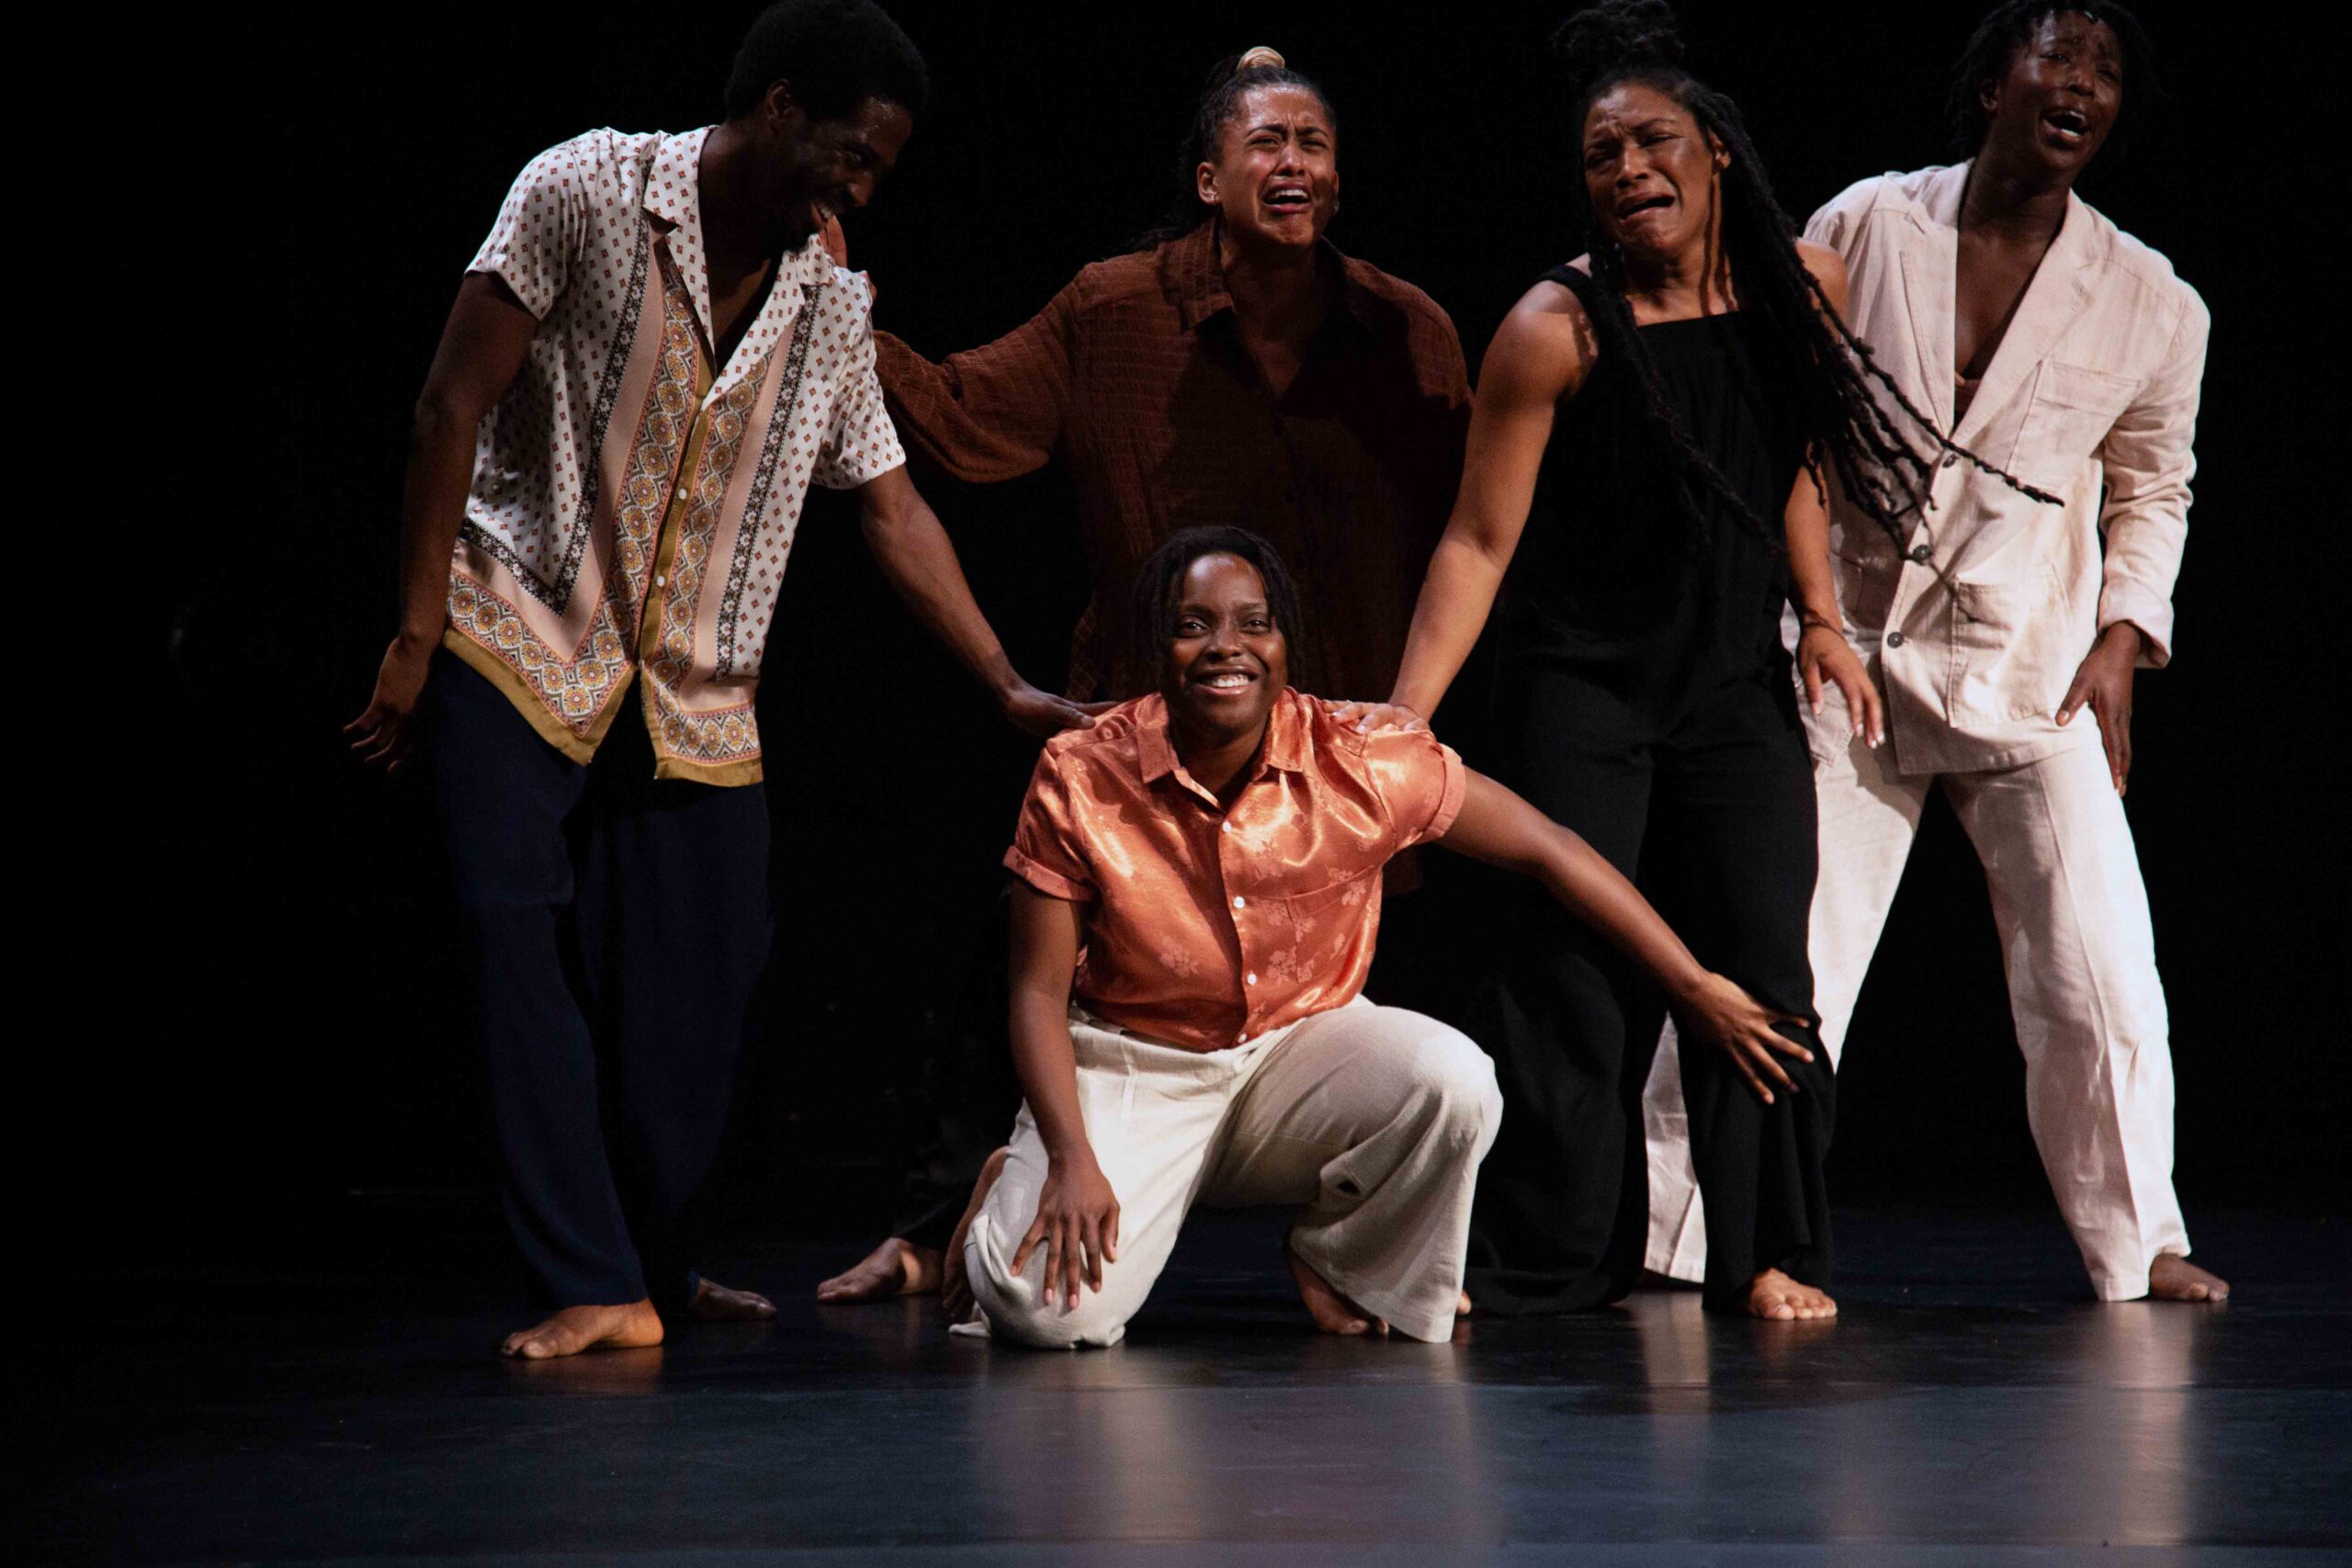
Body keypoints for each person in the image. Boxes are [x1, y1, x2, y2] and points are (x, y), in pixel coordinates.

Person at [343, 0, 1091, 1359]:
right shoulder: (583, 189)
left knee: (701, 985)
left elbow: (887, 502)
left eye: (882, 170)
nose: (861, 188)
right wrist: (410, 635)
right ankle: (591, 1276)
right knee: (516, 941)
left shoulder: (823, 292)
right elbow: (448, 404)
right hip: (515, 626)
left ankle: (654, 1265)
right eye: (853, 154)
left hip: (695, 683)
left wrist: (1002, 683)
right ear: (784, 106)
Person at [1383, 0, 2020, 1319]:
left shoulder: (1808, 285)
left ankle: (1766, 1249)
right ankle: (1552, 1260)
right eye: (1601, 154)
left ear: (1716, 147)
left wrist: (1822, 618)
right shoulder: (1552, 329)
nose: (1626, 170)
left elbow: (1782, 465)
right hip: (1580, 685)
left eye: (1651, 140)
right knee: (1574, 981)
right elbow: (1477, 540)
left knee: (1767, 968)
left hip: (1732, 681)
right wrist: (1401, 726)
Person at [820, 46, 1470, 1307]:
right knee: (1026, 982)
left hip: (1331, 748)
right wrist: (835, 315)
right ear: (1209, 177)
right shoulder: (1116, 311)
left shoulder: (1407, 330)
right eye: (1268, 144)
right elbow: (961, 417)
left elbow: (1467, 525)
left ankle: (1364, 1255)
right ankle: (948, 1219)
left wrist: (1413, 714)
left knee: (1390, 1017)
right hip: (1139, 745)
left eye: (1315, 144)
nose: (1296, 165)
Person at [1641, 0, 2227, 1303]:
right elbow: (1783, 406)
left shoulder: (2151, 300)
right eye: (2057, 57)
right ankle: (1676, 1232)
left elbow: (2155, 486)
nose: (2080, 84)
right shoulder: (1870, 221)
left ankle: (2144, 1237)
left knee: (2099, 971)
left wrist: (2128, 631)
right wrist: (1792, 612)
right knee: (1777, 956)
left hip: (2029, 661)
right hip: (1845, 647)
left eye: (2107, 71)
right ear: (1993, 85)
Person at [953, 528, 1808, 1348]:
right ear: (1156, 648)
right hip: (1138, 1062)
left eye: (1255, 623)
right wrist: (1070, 1155)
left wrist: (1691, 983)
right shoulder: (1081, 772)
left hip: (1299, 1049)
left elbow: (1552, 849)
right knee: (1047, 1317)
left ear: (1286, 645)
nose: (1227, 646)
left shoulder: (1360, 757)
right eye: (1193, 625)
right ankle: (1015, 1181)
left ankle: (1344, 1257)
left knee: (1455, 1079)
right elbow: (1033, 990)